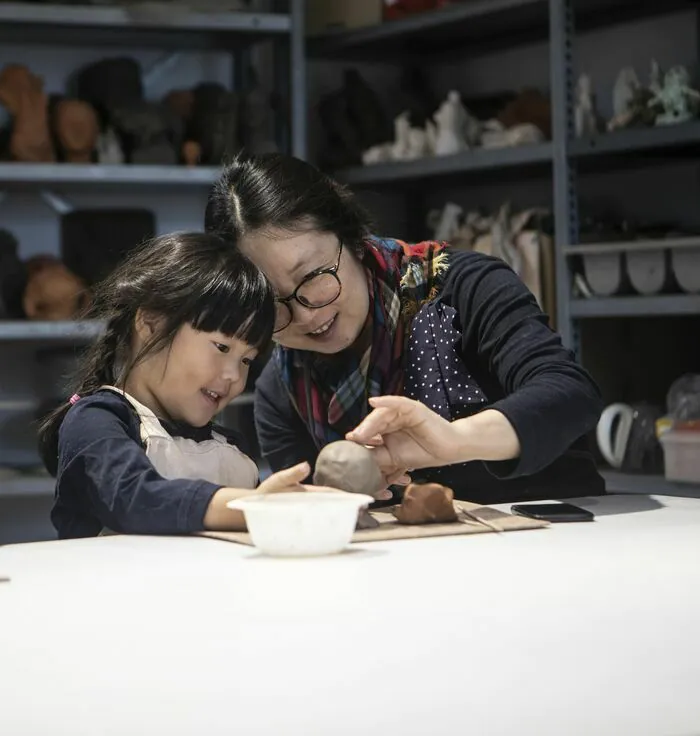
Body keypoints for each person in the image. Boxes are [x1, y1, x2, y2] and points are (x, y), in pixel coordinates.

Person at [205, 153, 606, 505]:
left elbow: (570, 393)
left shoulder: (462, 289)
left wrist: (452, 442)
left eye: (313, 276)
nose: (307, 314)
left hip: (553, 541)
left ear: (354, 239)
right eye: (272, 305)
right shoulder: (283, 390)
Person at [38, 232, 344, 539]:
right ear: (151, 325)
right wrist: (252, 506)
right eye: (222, 347)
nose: (233, 376)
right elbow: (136, 500)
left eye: (247, 360)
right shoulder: (95, 421)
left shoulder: (230, 448)